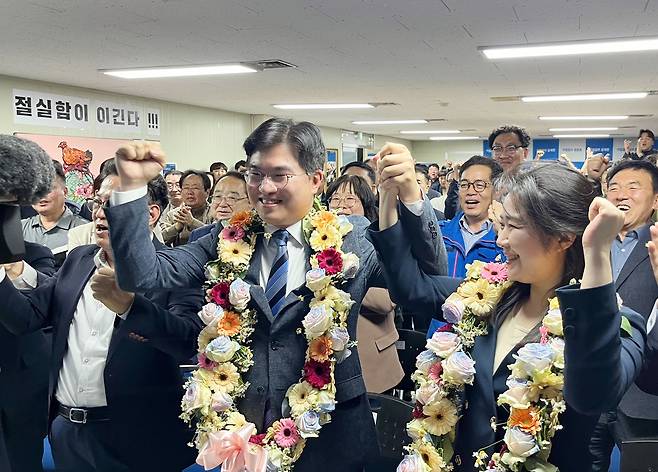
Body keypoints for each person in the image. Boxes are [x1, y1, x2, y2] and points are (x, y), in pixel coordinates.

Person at [104, 118, 446, 471]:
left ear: (315, 179)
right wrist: (130, 188)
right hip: (244, 439)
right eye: (255, 174)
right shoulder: (224, 238)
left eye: (279, 175)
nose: (264, 188)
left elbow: (430, 277)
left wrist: (411, 197)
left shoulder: (352, 238)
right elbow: (143, 275)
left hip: (334, 437)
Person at [368, 160, 646, 472]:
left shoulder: (619, 323)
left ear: (563, 238)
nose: (501, 240)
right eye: (502, 226)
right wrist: (389, 197)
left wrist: (597, 253)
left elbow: (592, 394)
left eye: (513, 227)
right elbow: (411, 288)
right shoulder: (486, 296)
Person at [0, 173, 203, 471]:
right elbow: (26, 317)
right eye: (98, 203)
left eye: (113, 205)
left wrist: (130, 308)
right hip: (69, 435)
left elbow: (188, 342)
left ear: (150, 214)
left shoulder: (177, 270)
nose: (98, 213)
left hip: (138, 441)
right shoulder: (79, 260)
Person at [589, 159, 658, 470]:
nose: (620, 195)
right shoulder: (589, 241)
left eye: (634, 187)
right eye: (613, 188)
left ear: (656, 199)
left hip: (644, 393)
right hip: (589, 391)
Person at [326, 174, 403, 393]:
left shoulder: (375, 240)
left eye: (350, 199)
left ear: (365, 205)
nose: (342, 205)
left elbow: (386, 301)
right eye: (335, 199)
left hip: (371, 354)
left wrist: (339, 291)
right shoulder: (319, 240)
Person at [0, 242, 54, 472]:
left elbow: (45, 299)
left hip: (21, 378)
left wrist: (12, 269)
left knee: (22, 460)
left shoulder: (32, 254)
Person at [440, 156, 505, 278]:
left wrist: (502, 231)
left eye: (479, 185)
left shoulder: (507, 240)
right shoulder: (440, 234)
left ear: (497, 190)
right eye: (464, 185)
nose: (470, 191)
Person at [21, 160, 87, 266]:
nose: (41, 195)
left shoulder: (84, 230)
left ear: (64, 192)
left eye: (48, 188)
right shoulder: (19, 229)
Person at [188, 171, 252, 242]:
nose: (222, 204)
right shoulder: (199, 235)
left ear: (251, 202)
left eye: (232, 198)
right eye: (218, 196)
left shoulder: (260, 235)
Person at [160, 169, 212, 246]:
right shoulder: (173, 214)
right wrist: (176, 227)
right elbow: (160, 240)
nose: (189, 192)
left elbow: (218, 236)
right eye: (186, 188)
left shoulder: (215, 212)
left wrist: (192, 223)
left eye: (195, 188)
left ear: (207, 192)